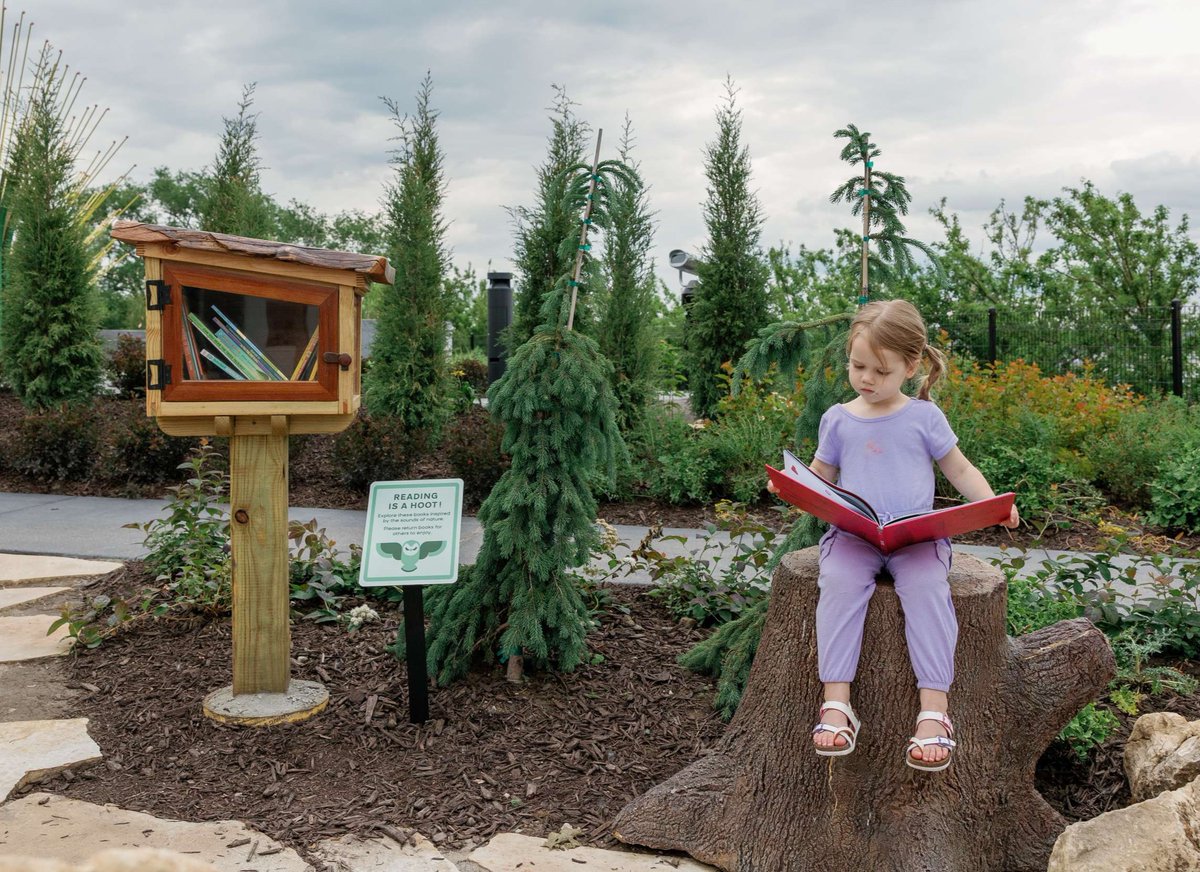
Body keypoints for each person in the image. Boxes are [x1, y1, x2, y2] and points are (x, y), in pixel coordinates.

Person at [768, 299, 1019, 772]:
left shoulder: (924, 417)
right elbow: (820, 475)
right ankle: (837, 704)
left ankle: (934, 713)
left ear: (910, 365)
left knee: (927, 590)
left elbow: (960, 469)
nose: (866, 378)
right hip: (854, 537)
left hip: (916, 539)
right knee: (838, 584)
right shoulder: (838, 418)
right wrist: (790, 485)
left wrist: (995, 507)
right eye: (857, 366)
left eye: (879, 371)